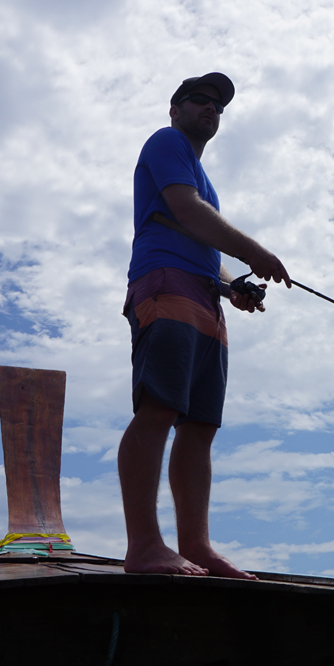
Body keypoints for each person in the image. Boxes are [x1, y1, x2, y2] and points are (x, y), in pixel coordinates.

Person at [119, 72, 290, 579]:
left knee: (200, 427)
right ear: (175, 109)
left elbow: (204, 243)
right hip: (164, 283)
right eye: (199, 99)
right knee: (160, 408)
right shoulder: (167, 142)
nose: (210, 108)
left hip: (202, 297)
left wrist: (233, 283)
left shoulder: (202, 175)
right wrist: (254, 251)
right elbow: (186, 214)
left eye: (218, 105)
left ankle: (197, 546)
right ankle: (144, 546)